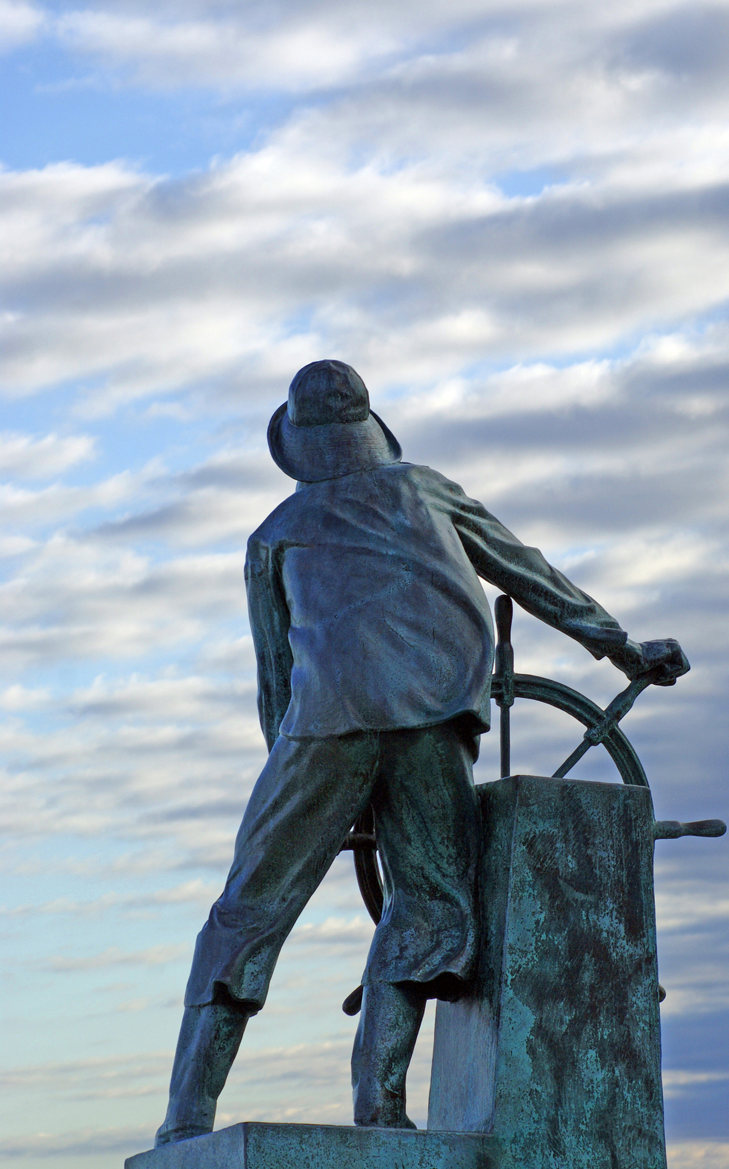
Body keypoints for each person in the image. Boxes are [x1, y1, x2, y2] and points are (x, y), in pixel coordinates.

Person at [155, 360, 688, 1146]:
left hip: (324, 727)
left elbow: (276, 683)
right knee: (430, 904)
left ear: (301, 445)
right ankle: (380, 1106)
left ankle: (185, 1115)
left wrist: (306, 790)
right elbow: (528, 571)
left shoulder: (273, 534)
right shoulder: (425, 490)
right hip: (435, 714)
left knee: (248, 910)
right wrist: (622, 647)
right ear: (368, 431)